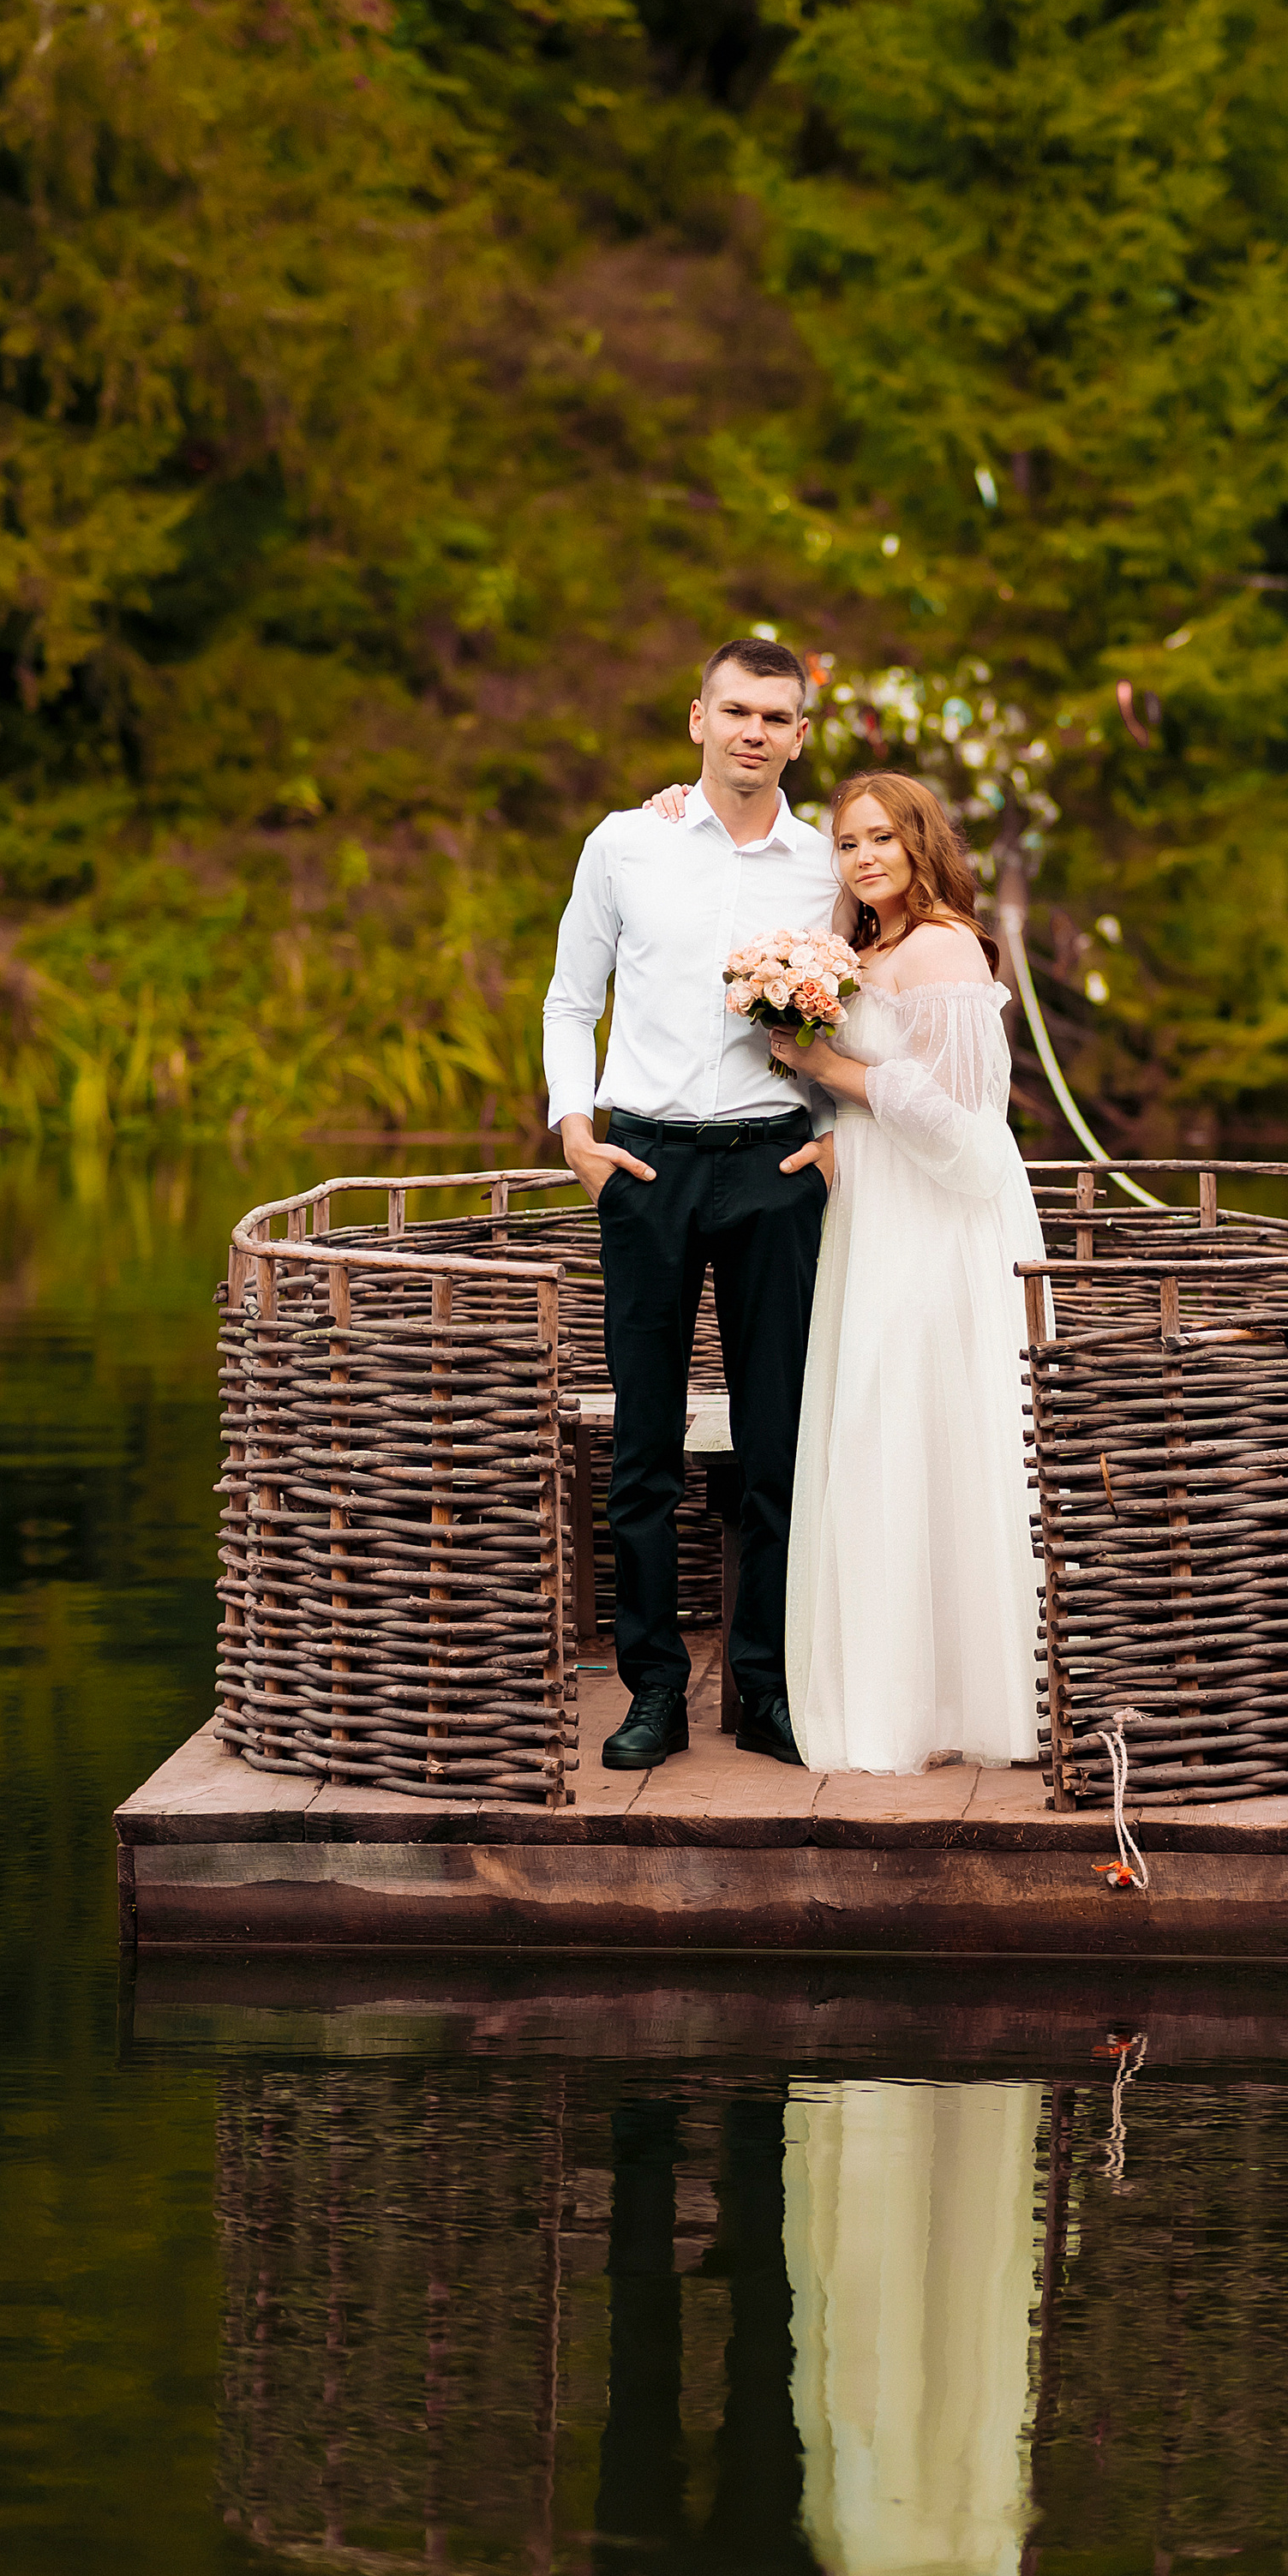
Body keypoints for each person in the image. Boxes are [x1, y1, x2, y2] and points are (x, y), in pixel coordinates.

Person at [645, 766, 1044, 1776]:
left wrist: (830, 1071)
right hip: (869, 1215)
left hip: (930, 1223)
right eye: (848, 842)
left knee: (911, 1430)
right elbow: (876, 1095)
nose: (864, 858)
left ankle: (944, 1700)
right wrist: (826, 1115)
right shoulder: (872, 946)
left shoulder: (946, 946)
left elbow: (964, 1127)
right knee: (868, 1438)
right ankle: (883, 1689)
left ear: (921, 843)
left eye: (882, 839)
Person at [542, 638, 840, 1772]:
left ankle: (763, 1691)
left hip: (774, 1170)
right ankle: (653, 1690)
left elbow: (873, 1010)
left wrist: (829, 1139)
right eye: (735, 711)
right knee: (645, 1449)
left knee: (776, 1444)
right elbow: (573, 997)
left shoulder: (826, 866)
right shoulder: (628, 843)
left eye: (775, 715)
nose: (753, 731)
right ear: (697, 719)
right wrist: (579, 1131)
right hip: (649, 1166)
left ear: (801, 734)